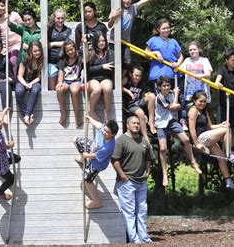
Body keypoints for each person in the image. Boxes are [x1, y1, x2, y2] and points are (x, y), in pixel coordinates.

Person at [111, 115, 156, 243]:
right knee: (129, 211)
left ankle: (144, 238)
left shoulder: (143, 141)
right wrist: (122, 175)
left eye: (138, 123)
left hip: (141, 182)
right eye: (133, 123)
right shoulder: (121, 140)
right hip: (127, 182)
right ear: (127, 125)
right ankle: (134, 240)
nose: (136, 125)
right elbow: (114, 159)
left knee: (142, 211)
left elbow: (149, 158)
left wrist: (147, 173)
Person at [155, 76, 202, 187]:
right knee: (163, 149)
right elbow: (173, 107)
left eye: (168, 85)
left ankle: (193, 161)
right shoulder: (160, 97)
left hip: (171, 121)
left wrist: (176, 101)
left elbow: (178, 106)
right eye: (164, 86)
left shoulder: (171, 93)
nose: (166, 87)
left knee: (186, 139)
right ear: (160, 87)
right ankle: (164, 173)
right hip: (161, 123)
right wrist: (176, 96)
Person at [188, 91, 234, 191]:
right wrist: (196, 144)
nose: (202, 103)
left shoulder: (204, 111)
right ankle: (230, 152)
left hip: (207, 137)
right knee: (227, 130)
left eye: (204, 102)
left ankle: (228, 180)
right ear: (194, 101)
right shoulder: (193, 110)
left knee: (222, 158)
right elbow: (192, 129)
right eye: (200, 101)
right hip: (200, 139)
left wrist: (221, 124)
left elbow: (210, 127)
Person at [108, 0, 167, 74]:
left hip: (125, 42)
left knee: (127, 62)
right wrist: (113, 17)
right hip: (114, 41)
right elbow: (110, 25)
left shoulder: (132, 8)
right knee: (113, 63)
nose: (127, 1)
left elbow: (144, 1)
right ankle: (114, 81)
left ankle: (120, 81)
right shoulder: (117, 9)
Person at [73, 116, 119, 209]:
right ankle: (83, 160)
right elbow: (99, 125)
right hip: (93, 148)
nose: (104, 133)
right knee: (75, 140)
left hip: (96, 164)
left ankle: (96, 202)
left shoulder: (108, 147)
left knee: (87, 181)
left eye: (107, 132)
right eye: (105, 130)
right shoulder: (104, 129)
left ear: (113, 135)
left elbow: (95, 156)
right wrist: (90, 119)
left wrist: (86, 155)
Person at [214, 47, 234, 150]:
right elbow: (217, 80)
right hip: (222, 104)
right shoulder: (222, 69)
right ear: (227, 60)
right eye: (232, 60)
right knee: (222, 127)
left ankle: (229, 152)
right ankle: (220, 152)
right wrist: (218, 84)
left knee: (233, 129)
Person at [86, 32, 114, 123]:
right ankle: (92, 110)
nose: (101, 43)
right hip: (93, 78)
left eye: (103, 41)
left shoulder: (109, 53)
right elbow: (88, 70)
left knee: (107, 88)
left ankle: (107, 112)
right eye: (99, 41)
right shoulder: (91, 53)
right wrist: (102, 67)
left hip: (106, 78)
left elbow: (111, 67)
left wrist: (100, 68)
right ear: (95, 42)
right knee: (97, 89)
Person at [123, 65, 157, 140]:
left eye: (139, 76)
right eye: (136, 75)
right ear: (130, 74)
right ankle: (145, 137)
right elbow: (118, 86)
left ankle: (151, 123)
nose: (137, 78)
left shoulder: (141, 83)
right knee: (141, 113)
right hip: (130, 105)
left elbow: (142, 95)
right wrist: (128, 91)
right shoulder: (127, 80)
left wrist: (146, 95)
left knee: (152, 96)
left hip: (138, 102)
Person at [56, 40, 84, 128]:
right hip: (65, 81)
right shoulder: (63, 60)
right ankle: (63, 112)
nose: (70, 52)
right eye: (67, 51)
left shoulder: (80, 59)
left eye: (72, 49)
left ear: (75, 49)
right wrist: (60, 82)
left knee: (74, 90)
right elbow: (60, 74)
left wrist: (85, 44)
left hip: (76, 80)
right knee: (59, 89)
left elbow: (86, 59)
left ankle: (77, 115)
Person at [0, 0, 23, 78]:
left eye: (2, 5)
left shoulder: (14, 14)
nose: (0, 8)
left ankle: (13, 81)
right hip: (5, 46)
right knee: (4, 63)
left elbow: (22, 28)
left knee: (13, 61)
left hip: (16, 44)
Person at [15, 41, 43, 125]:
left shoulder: (42, 61)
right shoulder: (25, 60)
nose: (37, 53)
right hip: (23, 81)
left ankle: (27, 114)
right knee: (19, 91)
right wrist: (25, 84)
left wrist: (31, 83)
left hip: (35, 81)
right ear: (30, 51)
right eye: (35, 51)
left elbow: (39, 77)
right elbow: (19, 76)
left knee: (35, 90)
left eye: (39, 50)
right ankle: (27, 114)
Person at [48, 8, 72, 90]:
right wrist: (62, 43)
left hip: (65, 62)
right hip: (52, 61)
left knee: (62, 87)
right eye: (58, 18)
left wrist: (53, 44)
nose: (60, 20)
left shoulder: (68, 30)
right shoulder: (49, 30)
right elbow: (46, 44)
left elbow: (68, 43)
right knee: (52, 88)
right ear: (54, 19)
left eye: (62, 18)